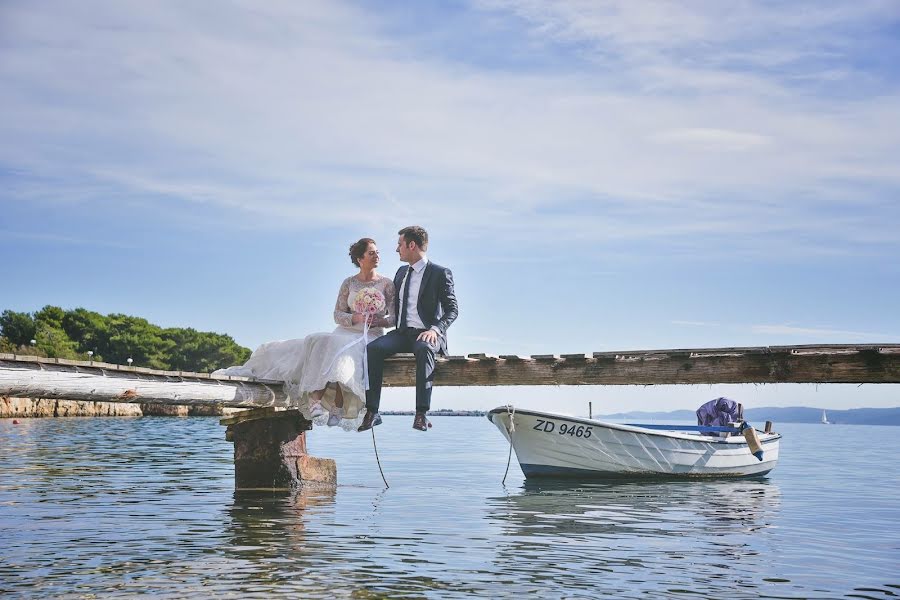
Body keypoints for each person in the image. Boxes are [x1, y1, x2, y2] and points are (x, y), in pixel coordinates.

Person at [213, 238, 395, 430]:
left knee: (341, 350)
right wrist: (355, 318)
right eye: (372, 253)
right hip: (347, 329)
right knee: (319, 339)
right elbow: (337, 314)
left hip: (370, 335)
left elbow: (395, 318)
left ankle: (335, 405)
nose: (377, 256)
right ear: (360, 259)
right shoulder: (348, 283)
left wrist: (379, 320)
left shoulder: (386, 284)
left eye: (378, 252)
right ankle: (319, 402)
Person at [359, 225, 458, 432]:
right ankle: (372, 411)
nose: (397, 249)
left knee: (423, 349)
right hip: (403, 333)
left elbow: (452, 310)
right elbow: (394, 307)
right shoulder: (401, 272)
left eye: (399, 244)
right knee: (373, 349)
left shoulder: (440, 273)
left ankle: (421, 413)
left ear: (411, 245)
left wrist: (435, 330)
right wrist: (378, 318)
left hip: (427, 334)